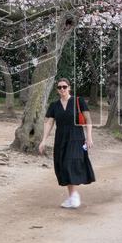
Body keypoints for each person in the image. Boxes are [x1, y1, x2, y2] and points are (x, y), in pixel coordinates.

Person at [38, 77, 95, 208]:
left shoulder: (78, 101)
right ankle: (71, 197)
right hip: (61, 139)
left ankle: (74, 195)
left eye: (64, 86)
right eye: (59, 87)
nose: (62, 89)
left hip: (76, 137)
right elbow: (50, 123)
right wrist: (43, 140)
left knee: (70, 163)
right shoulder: (54, 105)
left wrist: (89, 137)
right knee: (63, 166)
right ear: (57, 90)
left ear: (69, 88)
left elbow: (88, 120)